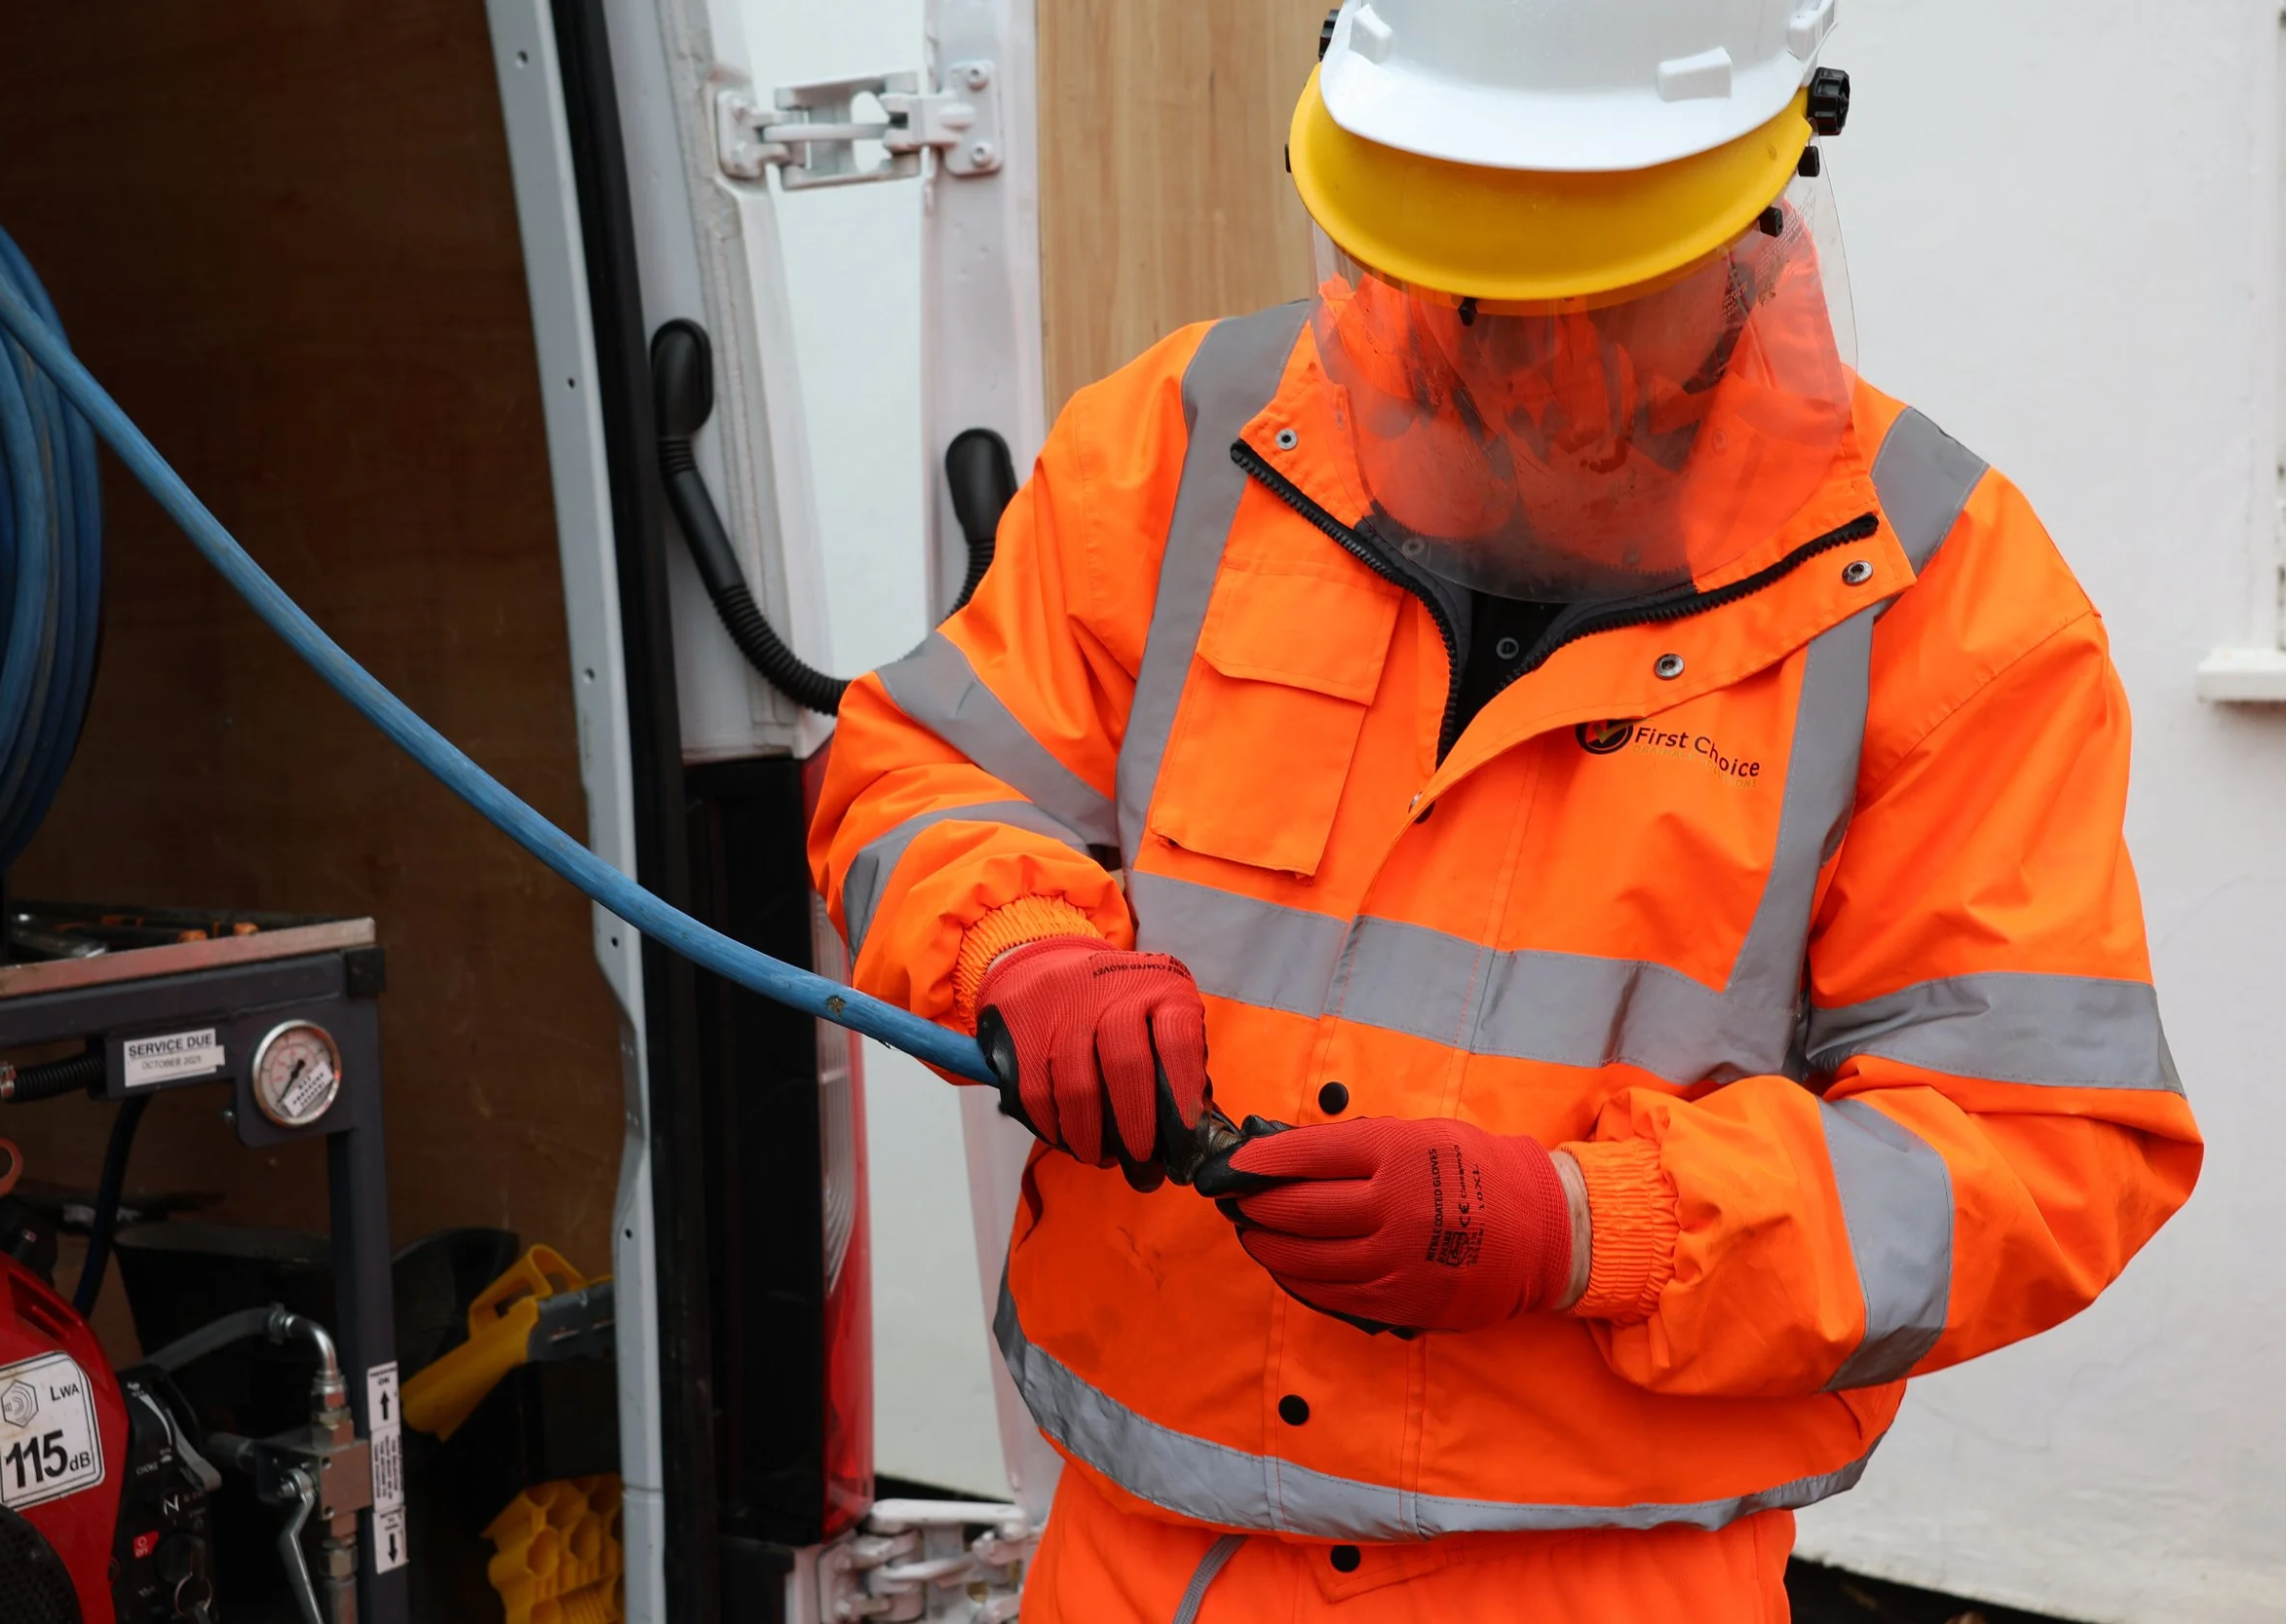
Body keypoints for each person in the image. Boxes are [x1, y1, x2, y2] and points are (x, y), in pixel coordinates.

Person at [810, 3, 2201, 1617]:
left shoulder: (1938, 601)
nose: (1513, 363)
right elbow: (925, 764)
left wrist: (1588, 1227)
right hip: (1138, 1559)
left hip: (1591, 1585)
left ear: (1758, 214)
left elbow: (2041, 1149)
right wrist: (1026, 943)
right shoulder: (1186, 441)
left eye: (1584, 300)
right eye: (1449, 286)